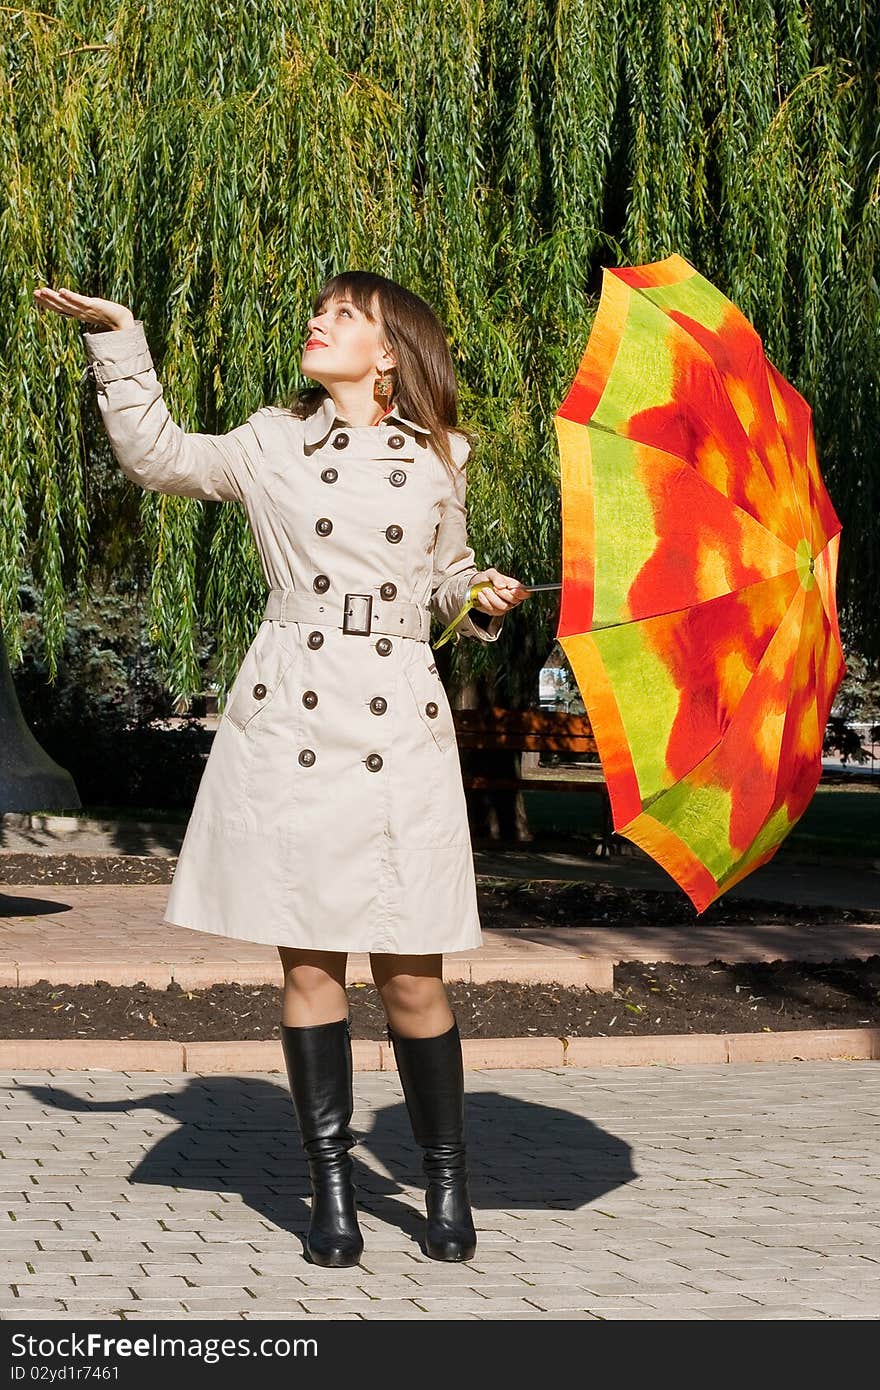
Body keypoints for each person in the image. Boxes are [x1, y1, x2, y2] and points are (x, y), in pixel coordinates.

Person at [32, 273, 530, 1269]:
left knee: (412, 975)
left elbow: (441, 574)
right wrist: (121, 343)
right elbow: (158, 456)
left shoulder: (441, 456)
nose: (318, 321)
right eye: (320, 310)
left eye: (343, 315)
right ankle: (333, 1186)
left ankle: (443, 1177)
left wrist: (478, 592)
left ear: (388, 353)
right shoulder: (270, 442)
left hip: (398, 712)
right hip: (297, 702)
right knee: (308, 961)